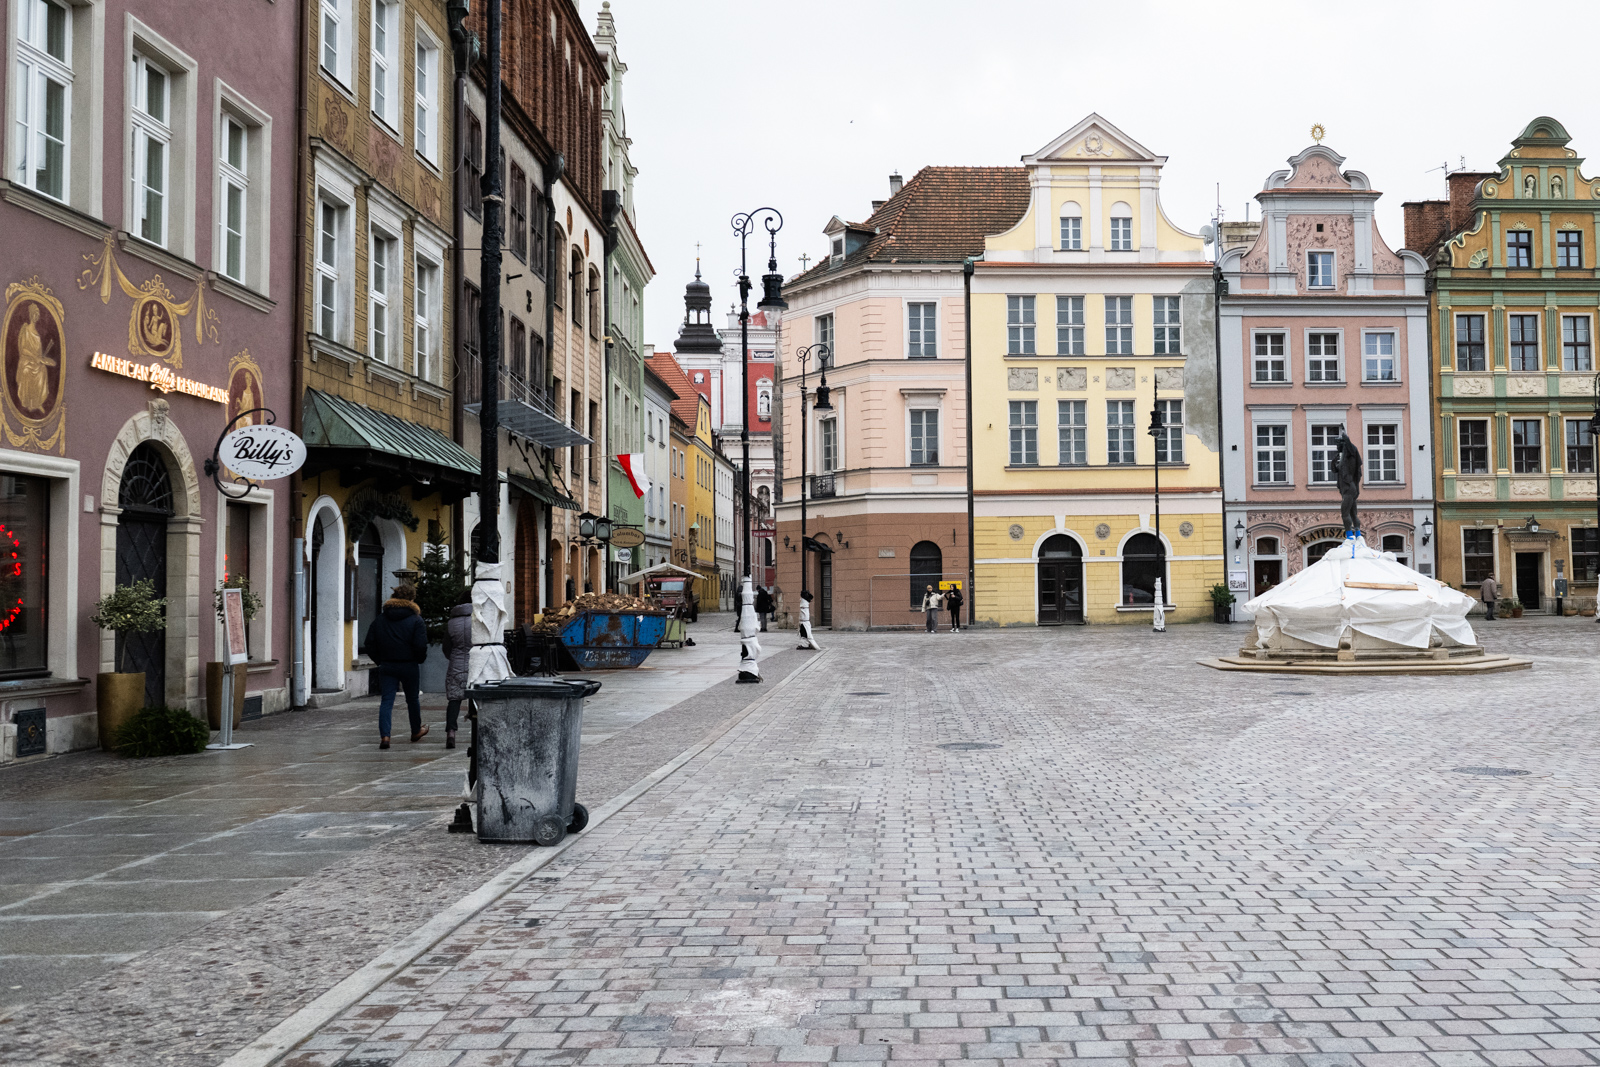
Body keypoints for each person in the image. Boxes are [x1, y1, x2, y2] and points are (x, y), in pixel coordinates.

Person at [363, 583, 429, 749]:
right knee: (412, 699)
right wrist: (418, 659)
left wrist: (380, 660)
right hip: (409, 665)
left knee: (387, 700)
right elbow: (420, 645)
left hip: (387, 665)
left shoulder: (380, 619)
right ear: (412, 598)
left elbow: (369, 643)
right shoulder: (416, 620)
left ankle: (385, 737)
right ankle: (415, 730)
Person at [441, 592, 472, 749]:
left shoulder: (452, 623)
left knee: (454, 699)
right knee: (476, 697)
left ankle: (451, 732)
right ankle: (477, 730)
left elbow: (446, 647)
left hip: (456, 663)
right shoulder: (479, 620)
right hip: (476, 663)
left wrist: (453, 658)